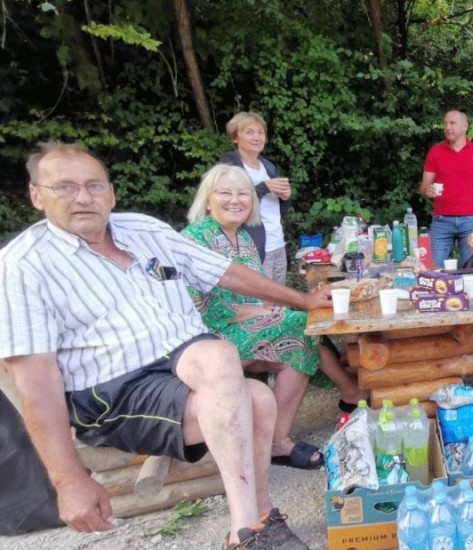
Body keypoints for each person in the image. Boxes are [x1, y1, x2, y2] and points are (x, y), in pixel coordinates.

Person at [0, 142, 324, 549]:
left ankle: (252, 528)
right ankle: (250, 528)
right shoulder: (23, 266)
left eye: (94, 186)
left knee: (243, 380)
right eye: (64, 187)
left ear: (111, 193)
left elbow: (223, 272)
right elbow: (35, 382)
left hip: (183, 355)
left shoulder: (144, 230)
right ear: (36, 196)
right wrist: (68, 481)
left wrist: (306, 301)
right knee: (253, 395)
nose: (83, 197)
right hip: (114, 389)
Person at [182, 164, 367, 470]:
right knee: (298, 325)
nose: (235, 200)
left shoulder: (242, 237)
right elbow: (204, 310)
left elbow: (253, 292)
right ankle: (287, 435)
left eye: (243, 193)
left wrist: (268, 308)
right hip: (207, 339)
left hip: (240, 326)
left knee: (298, 330)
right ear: (207, 199)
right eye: (225, 193)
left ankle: (276, 438)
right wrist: (265, 311)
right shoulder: (196, 239)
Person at [220, 111, 292, 284]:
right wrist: (264, 187)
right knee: (259, 304)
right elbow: (230, 203)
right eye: (249, 132)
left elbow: (279, 209)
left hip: (277, 242)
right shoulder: (230, 165)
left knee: (278, 300)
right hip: (252, 245)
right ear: (235, 138)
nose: (257, 137)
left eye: (261, 132)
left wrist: (286, 197)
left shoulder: (268, 166)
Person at [419, 109, 473, 267]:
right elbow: (424, 187)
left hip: (471, 220)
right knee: (431, 268)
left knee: (470, 271)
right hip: (441, 220)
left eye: (453, 123)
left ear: (465, 126)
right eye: (445, 123)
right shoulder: (435, 151)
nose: (448, 127)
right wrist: (428, 190)